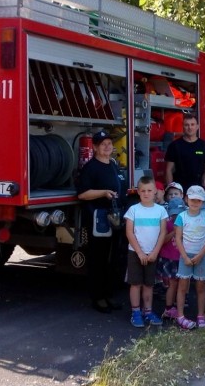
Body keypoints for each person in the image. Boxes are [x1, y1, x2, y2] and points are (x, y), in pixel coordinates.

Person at [76, 130, 125, 314]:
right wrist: (103, 193)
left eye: (109, 143)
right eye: (102, 144)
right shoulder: (90, 168)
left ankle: (108, 294)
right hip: (98, 220)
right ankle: (98, 298)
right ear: (95, 147)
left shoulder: (112, 165)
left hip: (114, 218)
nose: (107, 146)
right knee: (98, 259)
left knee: (112, 259)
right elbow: (83, 194)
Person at [124, 176, 168, 327]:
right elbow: (129, 233)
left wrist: (155, 252)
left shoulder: (161, 211)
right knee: (135, 283)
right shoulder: (133, 210)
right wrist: (140, 253)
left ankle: (148, 311)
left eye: (149, 190)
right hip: (135, 253)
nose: (146, 193)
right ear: (138, 192)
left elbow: (163, 233)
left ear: (155, 191)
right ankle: (136, 312)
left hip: (152, 254)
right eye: (143, 191)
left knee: (149, 284)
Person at [174, 185, 205, 330]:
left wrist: (201, 254)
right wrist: (184, 256)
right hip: (185, 256)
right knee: (182, 286)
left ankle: (200, 315)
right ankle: (180, 315)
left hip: (201, 255)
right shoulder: (181, 216)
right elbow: (178, 238)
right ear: (186, 199)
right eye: (192, 199)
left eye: (198, 200)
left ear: (203, 202)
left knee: (201, 287)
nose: (195, 203)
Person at [165, 113, 205, 193]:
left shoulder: (204, 146)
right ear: (182, 127)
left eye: (192, 124)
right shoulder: (174, 146)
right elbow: (169, 170)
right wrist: (171, 190)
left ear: (197, 126)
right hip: (180, 190)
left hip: (200, 190)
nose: (190, 127)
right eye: (186, 125)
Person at [158, 198, 186, 321]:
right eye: (174, 214)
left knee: (182, 284)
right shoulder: (168, 224)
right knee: (172, 284)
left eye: (179, 213)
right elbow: (162, 241)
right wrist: (174, 232)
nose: (176, 216)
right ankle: (168, 309)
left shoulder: (186, 224)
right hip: (170, 258)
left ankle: (178, 306)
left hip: (182, 258)